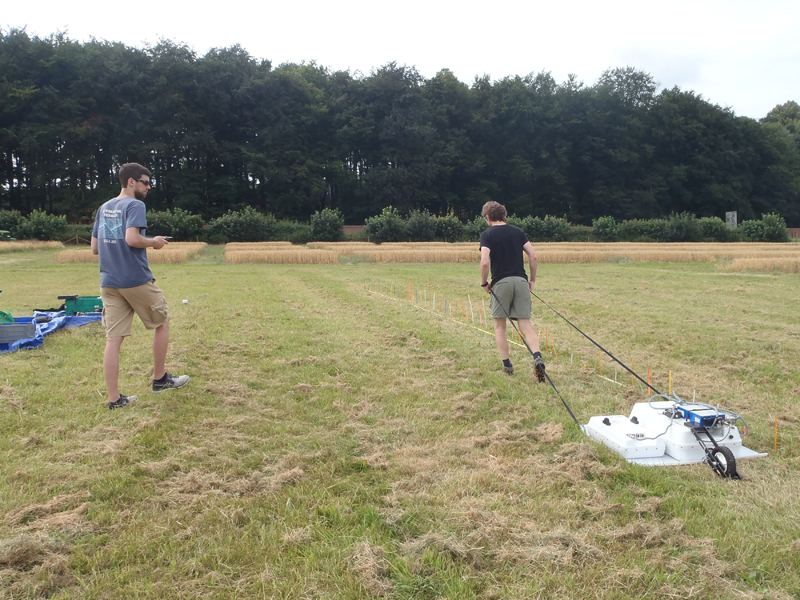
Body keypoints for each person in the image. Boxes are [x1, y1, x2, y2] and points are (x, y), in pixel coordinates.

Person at [91, 163, 189, 410]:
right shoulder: (135, 205)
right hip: (135, 279)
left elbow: (94, 248)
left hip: (109, 282)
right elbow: (132, 239)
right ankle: (160, 379)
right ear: (131, 181)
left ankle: (114, 400)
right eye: (146, 182)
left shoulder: (103, 208)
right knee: (162, 321)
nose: (148, 187)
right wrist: (153, 242)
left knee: (113, 339)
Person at [479, 201, 545, 381]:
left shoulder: (487, 234)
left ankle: (507, 366)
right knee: (526, 325)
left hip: (501, 283)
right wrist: (531, 280)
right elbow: (533, 255)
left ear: (488, 217)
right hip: (521, 281)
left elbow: (484, 262)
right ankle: (537, 356)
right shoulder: (518, 232)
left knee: (500, 326)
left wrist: (485, 283)